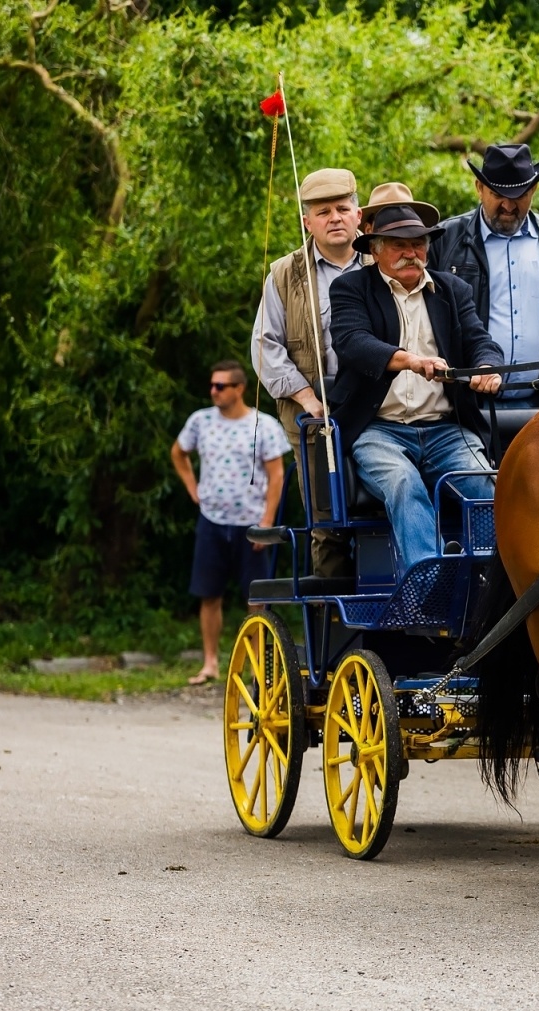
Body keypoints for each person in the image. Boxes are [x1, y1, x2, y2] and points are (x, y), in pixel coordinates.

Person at [328, 183, 504, 577]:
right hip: (379, 429)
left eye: (419, 242)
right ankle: (429, 586)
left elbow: (480, 342)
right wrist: (409, 360)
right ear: (374, 249)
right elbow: (353, 342)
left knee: (484, 489)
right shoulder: (351, 288)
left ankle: (496, 589)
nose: (411, 252)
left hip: (447, 430)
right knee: (403, 484)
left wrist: (488, 369)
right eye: (397, 244)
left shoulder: (452, 289)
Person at [251, 167, 362, 577]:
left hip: (379, 406)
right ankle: (333, 618)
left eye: (342, 208)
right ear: (307, 222)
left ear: (358, 214)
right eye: (323, 211)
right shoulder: (285, 272)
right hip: (313, 411)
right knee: (328, 517)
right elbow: (264, 347)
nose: (334, 217)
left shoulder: (380, 262)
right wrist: (306, 398)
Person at [430, 143, 539, 409]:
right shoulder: (444, 241)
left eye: (519, 195)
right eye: (497, 194)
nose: (508, 205)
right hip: (467, 410)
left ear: (534, 190)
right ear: (479, 189)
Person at [170, 360, 290, 685]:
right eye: (212, 385)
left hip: (251, 523)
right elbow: (178, 453)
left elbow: (277, 475)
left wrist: (266, 523)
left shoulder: (262, 425)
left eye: (220, 386)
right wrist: (193, 490)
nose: (213, 391)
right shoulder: (201, 421)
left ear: (239, 389)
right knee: (209, 594)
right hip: (212, 519)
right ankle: (210, 663)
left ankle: (257, 668)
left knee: (256, 599)